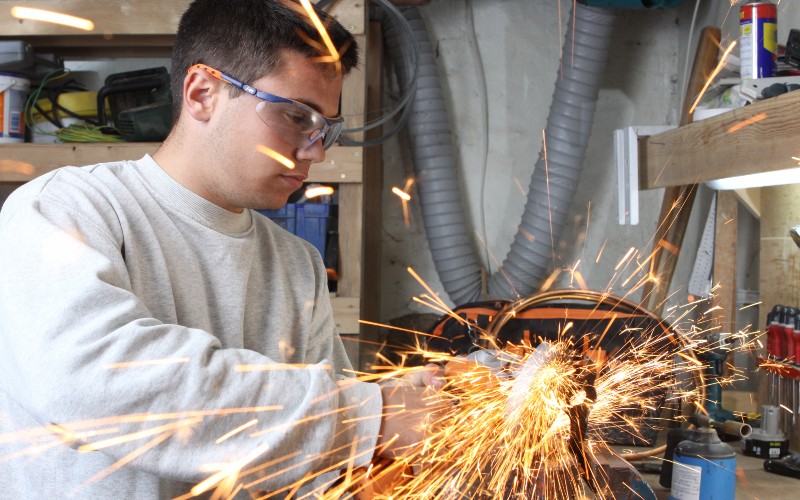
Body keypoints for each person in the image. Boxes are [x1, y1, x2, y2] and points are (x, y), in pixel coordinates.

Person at [0, 0, 438, 497]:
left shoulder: (297, 264)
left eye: (325, 128)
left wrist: (388, 449)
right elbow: (94, 381)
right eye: (295, 116)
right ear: (203, 92)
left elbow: (311, 456)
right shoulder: (67, 208)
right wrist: (368, 416)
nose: (316, 150)